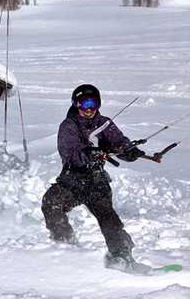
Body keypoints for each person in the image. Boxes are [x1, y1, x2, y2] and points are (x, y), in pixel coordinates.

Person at [41, 84, 146, 270]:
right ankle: (65, 247)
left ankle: (122, 255)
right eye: (84, 104)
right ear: (76, 104)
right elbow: (72, 153)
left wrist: (128, 151)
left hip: (96, 182)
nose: (89, 109)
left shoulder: (105, 123)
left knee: (107, 216)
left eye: (93, 103)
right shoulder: (68, 126)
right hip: (71, 181)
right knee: (51, 202)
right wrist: (96, 152)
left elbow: (119, 142)